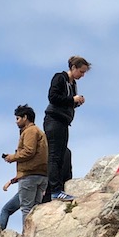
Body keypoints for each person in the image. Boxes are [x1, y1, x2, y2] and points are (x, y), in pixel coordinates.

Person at [43, 55, 90, 202]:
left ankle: (55, 190)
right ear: (73, 68)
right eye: (81, 71)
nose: (82, 75)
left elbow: (66, 103)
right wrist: (72, 99)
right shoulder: (60, 78)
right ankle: (55, 190)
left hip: (63, 121)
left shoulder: (73, 84)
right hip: (54, 120)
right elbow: (53, 97)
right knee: (54, 155)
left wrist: (76, 103)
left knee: (61, 154)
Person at [1, 105, 48, 229]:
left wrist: (12, 157)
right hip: (41, 175)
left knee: (26, 208)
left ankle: (27, 236)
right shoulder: (39, 131)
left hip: (30, 175)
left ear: (25, 117)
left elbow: (29, 151)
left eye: (18, 118)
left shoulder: (30, 131)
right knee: (35, 209)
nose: (16, 122)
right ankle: (35, 235)